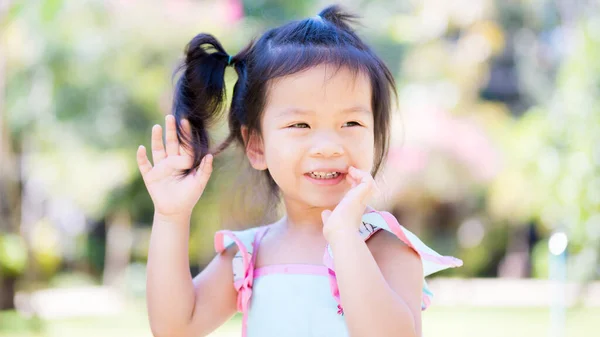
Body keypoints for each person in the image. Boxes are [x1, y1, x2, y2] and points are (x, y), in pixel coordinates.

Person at [136, 5, 463, 337]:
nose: (328, 146)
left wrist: (345, 238)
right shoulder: (251, 254)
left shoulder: (388, 249)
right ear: (257, 145)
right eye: (300, 124)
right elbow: (175, 328)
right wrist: (171, 216)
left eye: (351, 122)